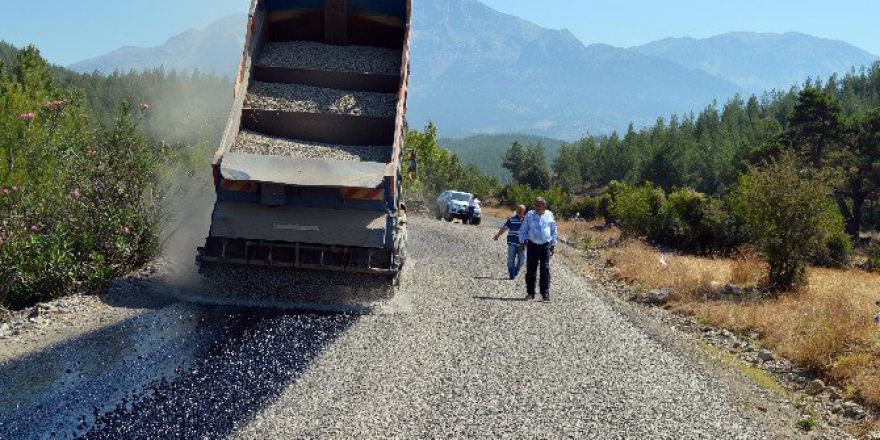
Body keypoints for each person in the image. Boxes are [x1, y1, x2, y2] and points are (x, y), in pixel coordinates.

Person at [518, 197, 558, 302]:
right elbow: (523, 229)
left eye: (539, 205)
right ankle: (530, 293)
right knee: (531, 269)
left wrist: (553, 245)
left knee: (545, 269)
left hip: (545, 246)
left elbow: (554, 230)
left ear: (544, 206)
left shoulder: (549, 215)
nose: (537, 207)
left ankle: (545, 294)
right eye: (535, 205)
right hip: (532, 245)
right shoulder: (529, 216)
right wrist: (522, 242)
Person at [493, 205, 527, 280]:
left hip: (522, 244)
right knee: (511, 259)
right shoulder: (511, 220)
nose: (519, 211)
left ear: (524, 211)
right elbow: (504, 228)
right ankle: (511, 274)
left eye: (521, 210)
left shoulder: (527, 221)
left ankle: (515, 271)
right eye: (518, 209)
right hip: (512, 243)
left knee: (521, 261)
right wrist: (497, 235)